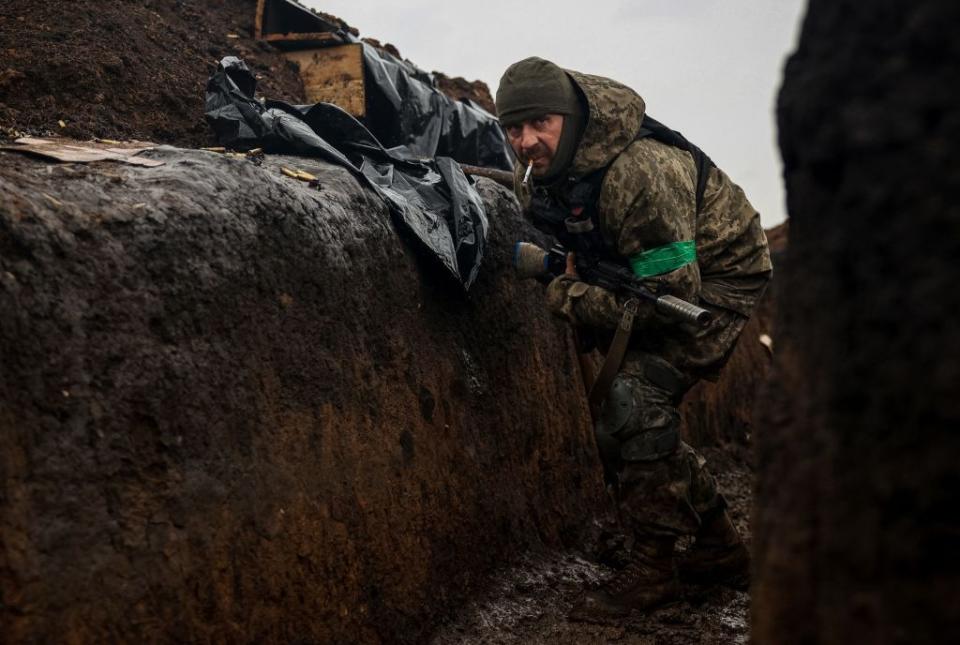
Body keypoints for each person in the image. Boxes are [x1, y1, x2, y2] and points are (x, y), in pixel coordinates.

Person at [495, 57, 773, 622]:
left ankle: (654, 577)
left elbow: (668, 298)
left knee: (631, 405)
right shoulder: (554, 163)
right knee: (638, 420)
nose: (525, 142)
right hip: (643, 274)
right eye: (512, 129)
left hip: (711, 287)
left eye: (539, 124)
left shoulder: (640, 172)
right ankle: (720, 548)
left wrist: (569, 295)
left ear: (569, 119)